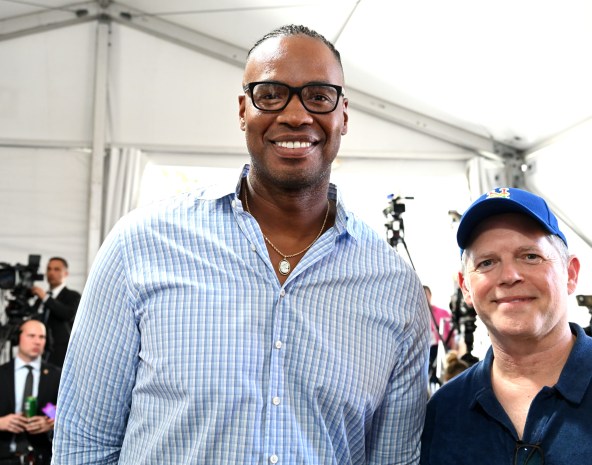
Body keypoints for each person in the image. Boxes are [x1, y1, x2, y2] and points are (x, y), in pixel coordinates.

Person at [53, 24, 430, 464]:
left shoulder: (394, 287)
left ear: (343, 114)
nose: (295, 115)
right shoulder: (140, 246)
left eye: (319, 96)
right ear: (242, 110)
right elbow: (83, 443)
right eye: (270, 94)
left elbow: (395, 460)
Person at [421, 187, 592, 464]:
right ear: (466, 288)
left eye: (530, 256)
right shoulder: (442, 412)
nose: (509, 275)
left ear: (571, 273)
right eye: (487, 262)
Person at [0, 320, 61, 465]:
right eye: (31, 336)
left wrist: (51, 422)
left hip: (41, 456)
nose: (37, 341)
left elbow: (54, 409)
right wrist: (1, 423)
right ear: (18, 338)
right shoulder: (2, 373)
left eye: (42, 337)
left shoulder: (56, 376)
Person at [31, 257, 81, 367]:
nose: (51, 272)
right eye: (49, 269)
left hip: (60, 353)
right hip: (39, 351)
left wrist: (45, 298)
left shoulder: (73, 296)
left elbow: (68, 314)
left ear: (66, 273)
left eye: (56, 269)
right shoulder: (40, 298)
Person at [424, 285, 453, 381]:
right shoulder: (416, 316)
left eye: (426, 295)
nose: (424, 298)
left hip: (443, 350)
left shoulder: (443, 313)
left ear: (430, 296)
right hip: (427, 354)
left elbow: (452, 335)